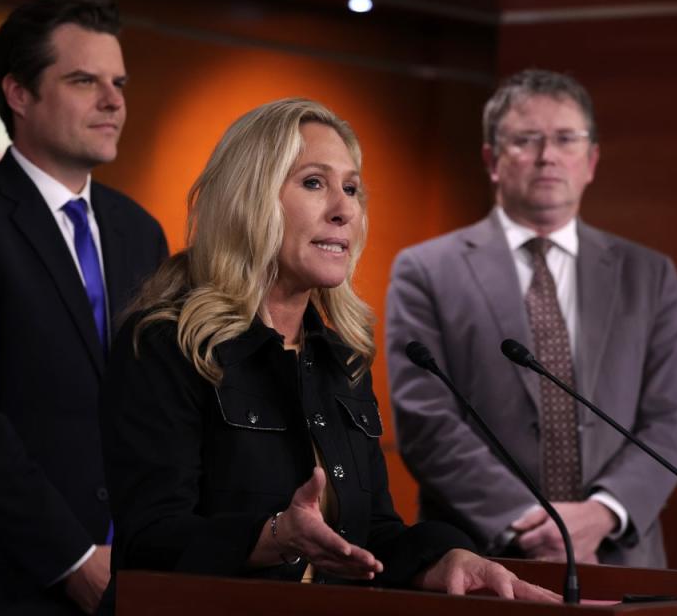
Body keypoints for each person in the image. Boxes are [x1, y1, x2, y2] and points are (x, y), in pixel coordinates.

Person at [99, 98, 559, 603]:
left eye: (352, 188)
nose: (343, 210)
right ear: (248, 197)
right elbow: (149, 541)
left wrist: (446, 557)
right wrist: (276, 535)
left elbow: (371, 535)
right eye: (314, 183)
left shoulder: (339, 356)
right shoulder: (169, 342)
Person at [0, 0, 167, 614]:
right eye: (84, 81)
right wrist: (72, 557)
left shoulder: (141, 232)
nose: (114, 100)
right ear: (18, 94)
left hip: (127, 575)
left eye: (119, 82)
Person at [386, 69, 677, 568]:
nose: (547, 155)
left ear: (591, 160)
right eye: (526, 140)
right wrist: (535, 522)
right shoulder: (426, 270)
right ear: (492, 159)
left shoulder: (649, 274)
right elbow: (426, 419)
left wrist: (602, 513)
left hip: (619, 555)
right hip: (482, 558)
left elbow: (675, 413)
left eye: (565, 139)